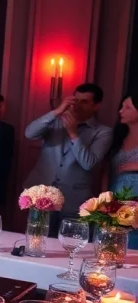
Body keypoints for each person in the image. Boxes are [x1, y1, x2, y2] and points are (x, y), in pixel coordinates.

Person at [23, 84, 111, 230]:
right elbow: (29, 134)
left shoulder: (103, 132)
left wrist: (74, 134)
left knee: (69, 247)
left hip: (75, 201)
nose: (78, 106)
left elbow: (89, 163)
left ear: (96, 106)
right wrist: (57, 112)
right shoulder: (55, 122)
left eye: (85, 102)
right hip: (41, 197)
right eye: (76, 100)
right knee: (37, 243)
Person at [108, 92, 138, 248]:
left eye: (127, 107)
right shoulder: (117, 136)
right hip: (113, 199)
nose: (121, 111)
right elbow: (105, 170)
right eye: (121, 107)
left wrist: (135, 166)